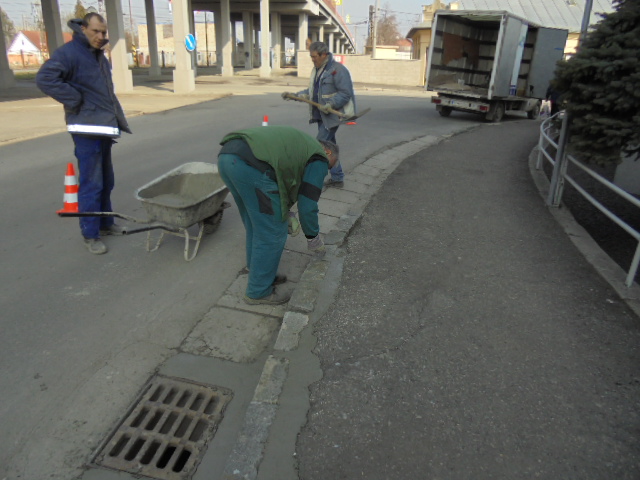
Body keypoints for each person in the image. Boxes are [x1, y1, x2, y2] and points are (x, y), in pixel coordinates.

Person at [36, 13, 131, 255]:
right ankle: (90, 234)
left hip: (102, 127)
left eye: (103, 32)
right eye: (95, 31)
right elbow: (45, 78)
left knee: (106, 181)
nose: (100, 36)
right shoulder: (69, 53)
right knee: (92, 183)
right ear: (83, 28)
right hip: (86, 129)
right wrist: (75, 99)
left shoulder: (97, 54)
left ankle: (106, 223)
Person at [218, 126, 339, 305]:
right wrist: (313, 237)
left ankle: (257, 271)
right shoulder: (319, 157)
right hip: (251, 167)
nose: (325, 171)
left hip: (228, 157)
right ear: (327, 152)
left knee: (255, 223)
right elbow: (307, 205)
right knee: (273, 232)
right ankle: (258, 291)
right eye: (329, 166)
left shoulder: (301, 147)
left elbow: (284, 181)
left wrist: (286, 210)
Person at [282, 41, 355, 188]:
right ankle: (337, 177)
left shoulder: (338, 70)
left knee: (317, 146)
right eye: (311, 56)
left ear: (324, 55)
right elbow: (312, 92)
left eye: (314, 56)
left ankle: (308, 180)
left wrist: (331, 104)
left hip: (332, 117)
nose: (312, 59)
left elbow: (345, 93)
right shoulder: (318, 70)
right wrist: (295, 95)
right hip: (321, 116)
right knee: (329, 147)